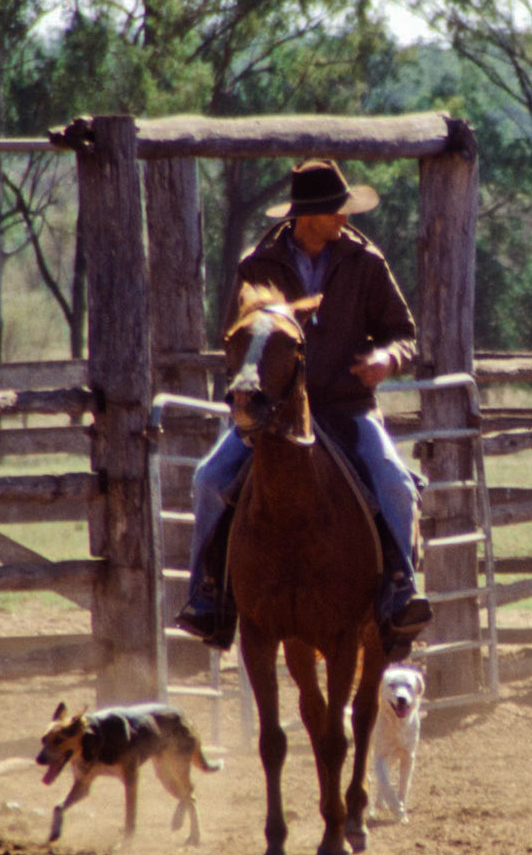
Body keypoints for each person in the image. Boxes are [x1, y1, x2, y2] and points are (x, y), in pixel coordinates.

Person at [176, 159, 431, 656]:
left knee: (396, 482)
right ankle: (206, 596)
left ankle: (401, 587)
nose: (346, 218)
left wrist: (386, 358)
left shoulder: (365, 261)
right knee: (208, 479)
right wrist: (251, 392)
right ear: (309, 216)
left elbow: (405, 334)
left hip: (347, 405)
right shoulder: (257, 266)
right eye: (338, 210)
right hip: (274, 413)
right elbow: (235, 339)